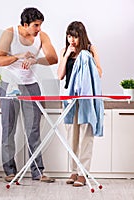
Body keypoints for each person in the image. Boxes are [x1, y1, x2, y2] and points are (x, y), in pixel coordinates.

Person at [0, 7, 58, 183]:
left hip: (31, 86)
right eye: (36, 25)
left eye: (40, 25)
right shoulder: (10, 33)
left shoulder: (41, 36)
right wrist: (19, 56)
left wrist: (36, 59)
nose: (39, 29)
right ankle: (10, 171)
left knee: (33, 130)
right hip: (9, 85)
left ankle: (37, 172)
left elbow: (53, 58)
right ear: (25, 24)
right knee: (8, 129)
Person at [57, 21, 103, 187]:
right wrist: (67, 55)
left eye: (75, 36)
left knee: (85, 135)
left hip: (86, 99)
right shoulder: (65, 50)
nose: (72, 40)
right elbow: (60, 75)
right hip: (69, 99)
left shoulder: (90, 50)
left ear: (81, 36)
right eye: (69, 36)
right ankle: (74, 171)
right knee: (72, 136)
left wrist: (85, 60)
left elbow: (99, 72)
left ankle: (83, 173)